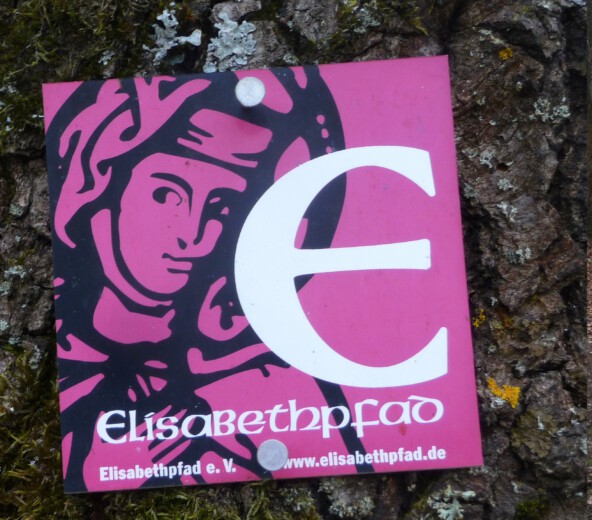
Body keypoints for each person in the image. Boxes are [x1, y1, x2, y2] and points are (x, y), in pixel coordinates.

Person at [46, 66, 364, 492]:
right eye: (167, 194)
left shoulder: (271, 377)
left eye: (222, 204)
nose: (193, 236)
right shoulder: (60, 360)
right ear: (101, 183)